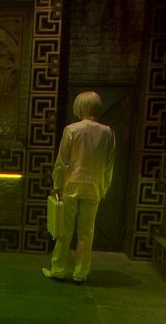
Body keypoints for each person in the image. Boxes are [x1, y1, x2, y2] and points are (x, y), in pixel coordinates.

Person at [43, 91, 115, 284]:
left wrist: (56, 184)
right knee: (86, 233)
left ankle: (58, 269)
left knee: (64, 231)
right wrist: (104, 187)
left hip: (71, 184)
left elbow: (62, 162)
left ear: (80, 107)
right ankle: (80, 273)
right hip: (94, 187)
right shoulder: (107, 132)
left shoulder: (72, 130)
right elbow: (108, 164)